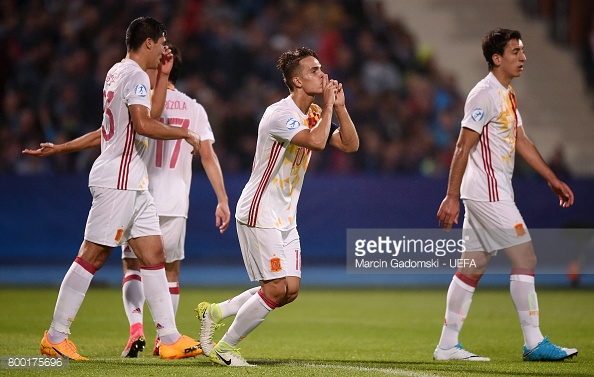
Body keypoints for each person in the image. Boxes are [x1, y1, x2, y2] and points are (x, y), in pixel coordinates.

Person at [24, 42, 231, 358]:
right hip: (120, 180)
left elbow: (115, 127)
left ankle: (169, 337)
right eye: (160, 44)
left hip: (137, 183)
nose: (163, 50)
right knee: (93, 254)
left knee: (153, 254)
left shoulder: (120, 73)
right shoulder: (135, 77)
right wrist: (185, 134)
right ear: (148, 44)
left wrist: (62, 147)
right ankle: (55, 336)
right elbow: (145, 123)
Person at [196, 47, 359, 367]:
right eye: (314, 71)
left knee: (290, 290)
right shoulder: (279, 114)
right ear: (297, 80)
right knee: (274, 288)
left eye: (322, 68)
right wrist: (327, 107)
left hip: (285, 215)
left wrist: (339, 108)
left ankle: (214, 312)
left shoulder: (315, 114)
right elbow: (314, 141)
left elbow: (350, 145)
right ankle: (224, 349)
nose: (323, 74)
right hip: (260, 210)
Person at [434, 28, 578, 362]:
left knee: (471, 268)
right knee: (525, 258)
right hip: (489, 194)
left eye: (523, 51)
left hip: (487, 192)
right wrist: (450, 196)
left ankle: (446, 346)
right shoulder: (484, 94)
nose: (523, 57)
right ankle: (534, 342)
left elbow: (522, 141)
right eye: (515, 51)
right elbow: (463, 144)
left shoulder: (507, 94)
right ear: (497, 58)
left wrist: (551, 179)